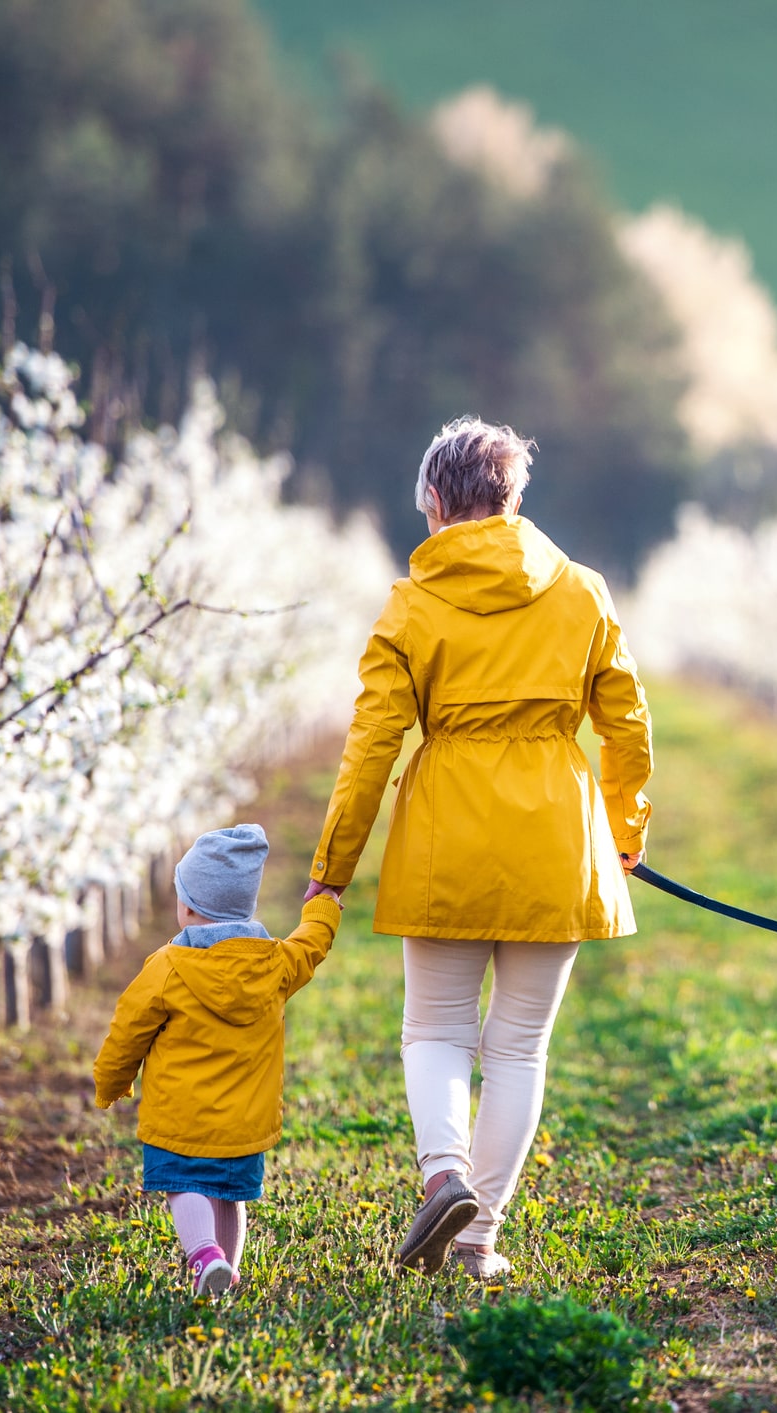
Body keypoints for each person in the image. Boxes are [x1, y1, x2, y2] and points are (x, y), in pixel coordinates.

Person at [307, 417, 652, 1280]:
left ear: (431, 501)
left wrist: (330, 871)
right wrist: (623, 832)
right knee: (518, 1046)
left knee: (434, 1028)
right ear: (515, 499)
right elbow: (628, 726)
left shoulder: (412, 604)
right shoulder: (582, 590)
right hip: (555, 834)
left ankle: (443, 1172)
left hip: (445, 833)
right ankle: (476, 1239)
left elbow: (370, 748)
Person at [94, 824, 341, 1296]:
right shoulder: (276, 964)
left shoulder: (166, 967)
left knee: (185, 1186)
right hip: (245, 1124)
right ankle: (224, 1276)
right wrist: (324, 905)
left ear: (187, 906)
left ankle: (205, 1256)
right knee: (230, 1197)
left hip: (180, 1118)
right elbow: (313, 943)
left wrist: (111, 1082)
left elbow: (128, 1030)